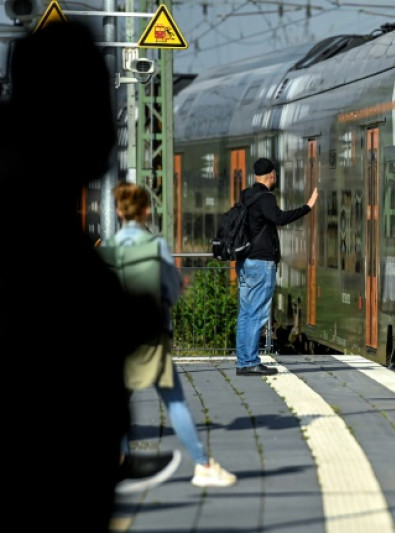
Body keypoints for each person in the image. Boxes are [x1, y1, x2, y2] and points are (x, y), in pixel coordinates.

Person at [0, 21, 165, 530]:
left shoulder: (38, 213)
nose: (111, 137)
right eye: (100, 112)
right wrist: (135, 315)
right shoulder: (40, 233)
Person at [112, 183, 238, 488]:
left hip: (120, 337)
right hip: (152, 337)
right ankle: (203, 465)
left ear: (118, 211)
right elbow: (172, 290)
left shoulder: (111, 248)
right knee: (175, 401)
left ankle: (121, 463)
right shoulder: (155, 246)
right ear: (146, 211)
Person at [235, 158, 319, 375]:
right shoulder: (266, 198)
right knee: (257, 313)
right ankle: (250, 361)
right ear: (271, 175)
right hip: (261, 264)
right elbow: (280, 218)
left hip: (245, 262)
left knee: (246, 313)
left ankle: (243, 360)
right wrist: (307, 208)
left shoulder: (246, 196)